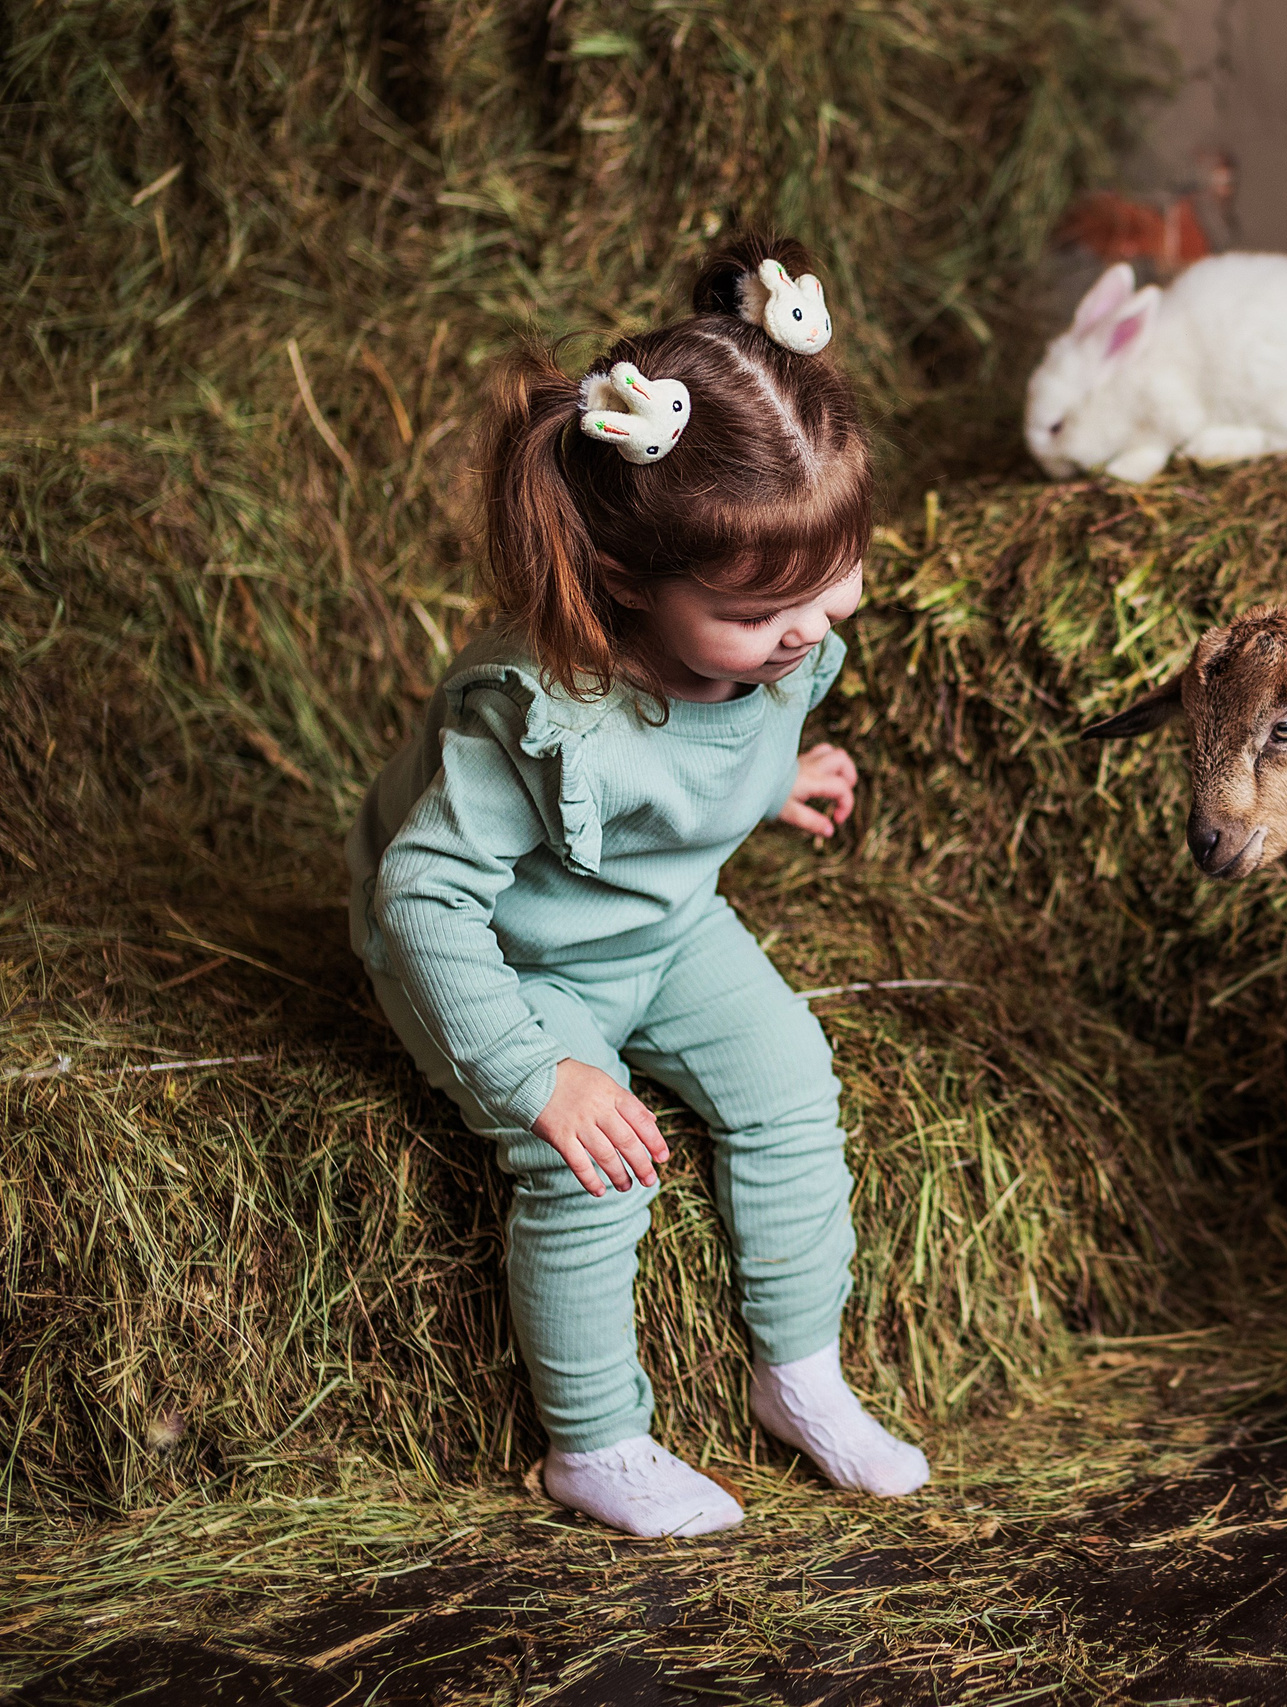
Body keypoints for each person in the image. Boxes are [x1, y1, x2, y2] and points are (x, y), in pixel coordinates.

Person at [347, 235, 924, 1538]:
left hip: (661, 923)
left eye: (836, 577)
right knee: (601, 1173)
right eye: (764, 607)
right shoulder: (536, 717)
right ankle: (594, 1442)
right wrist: (536, 1074)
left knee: (792, 1083)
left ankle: (801, 1374)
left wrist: (761, 785)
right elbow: (422, 901)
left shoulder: (777, 637)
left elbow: (718, 738)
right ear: (626, 586)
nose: (814, 625)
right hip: (504, 953)